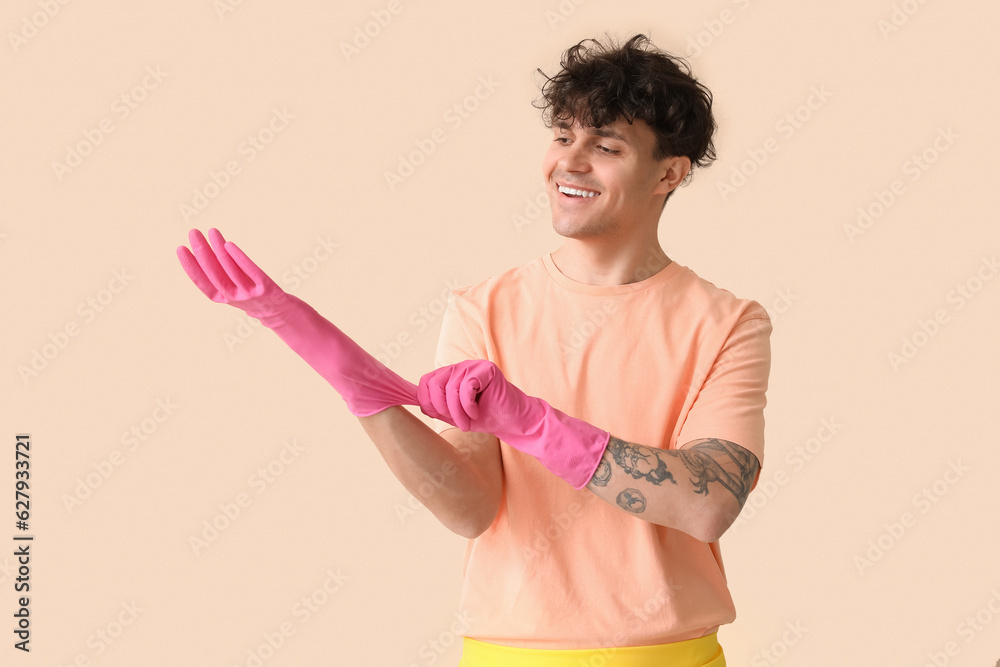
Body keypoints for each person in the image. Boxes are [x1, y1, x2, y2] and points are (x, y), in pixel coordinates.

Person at [177, 33, 770, 667]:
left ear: (669, 173)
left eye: (605, 146)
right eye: (563, 135)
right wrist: (346, 373)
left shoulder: (728, 322)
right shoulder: (482, 309)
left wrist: (533, 423)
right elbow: (469, 507)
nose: (569, 163)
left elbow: (707, 503)